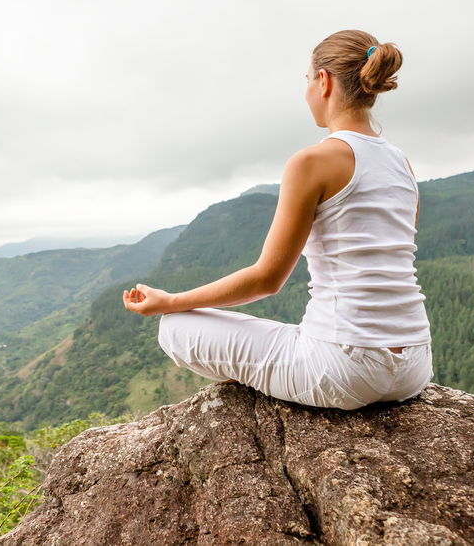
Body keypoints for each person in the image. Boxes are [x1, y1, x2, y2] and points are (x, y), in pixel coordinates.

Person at [122, 29, 433, 410]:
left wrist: (170, 301)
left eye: (307, 80)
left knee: (174, 326)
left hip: (345, 367)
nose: (306, 91)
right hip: (415, 365)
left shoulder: (312, 162)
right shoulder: (403, 165)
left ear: (324, 81)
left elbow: (266, 279)